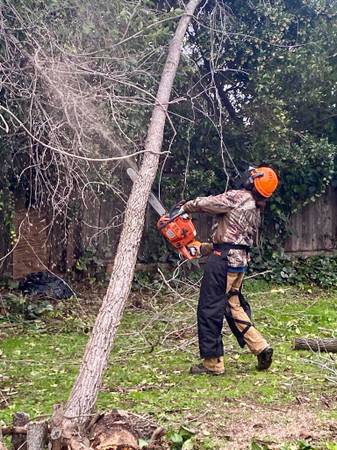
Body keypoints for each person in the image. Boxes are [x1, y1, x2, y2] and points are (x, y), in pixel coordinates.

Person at [181, 166, 279, 375]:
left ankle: (213, 363)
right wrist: (204, 248)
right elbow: (235, 238)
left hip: (224, 261)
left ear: (253, 182)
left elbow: (208, 203)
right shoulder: (255, 207)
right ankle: (261, 346)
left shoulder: (238, 197)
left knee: (209, 308)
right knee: (232, 305)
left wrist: (185, 207)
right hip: (238, 262)